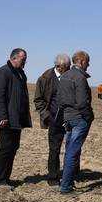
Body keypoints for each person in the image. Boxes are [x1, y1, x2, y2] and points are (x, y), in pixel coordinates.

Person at [0, 48, 31, 189]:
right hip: (6, 120)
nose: (25, 62)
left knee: (13, 147)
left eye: (25, 59)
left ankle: (6, 178)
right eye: (23, 59)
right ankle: (0, 181)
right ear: (14, 58)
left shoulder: (20, 73)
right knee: (5, 148)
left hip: (16, 119)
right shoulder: (2, 73)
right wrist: (3, 116)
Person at [57, 50, 93, 194]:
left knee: (69, 151)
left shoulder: (64, 76)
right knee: (73, 152)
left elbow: (59, 99)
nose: (88, 65)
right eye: (87, 62)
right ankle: (65, 186)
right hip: (79, 118)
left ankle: (67, 181)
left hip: (68, 117)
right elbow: (82, 102)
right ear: (82, 61)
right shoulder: (80, 78)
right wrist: (88, 117)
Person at [33, 53, 71, 185]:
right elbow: (38, 100)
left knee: (72, 147)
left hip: (69, 117)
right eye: (67, 67)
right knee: (54, 149)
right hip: (54, 119)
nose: (69, 69)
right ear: (59, 67)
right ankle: (53, 178)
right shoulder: (45, 78)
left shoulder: (70, 77)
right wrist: (46, 116)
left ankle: (72, 174)